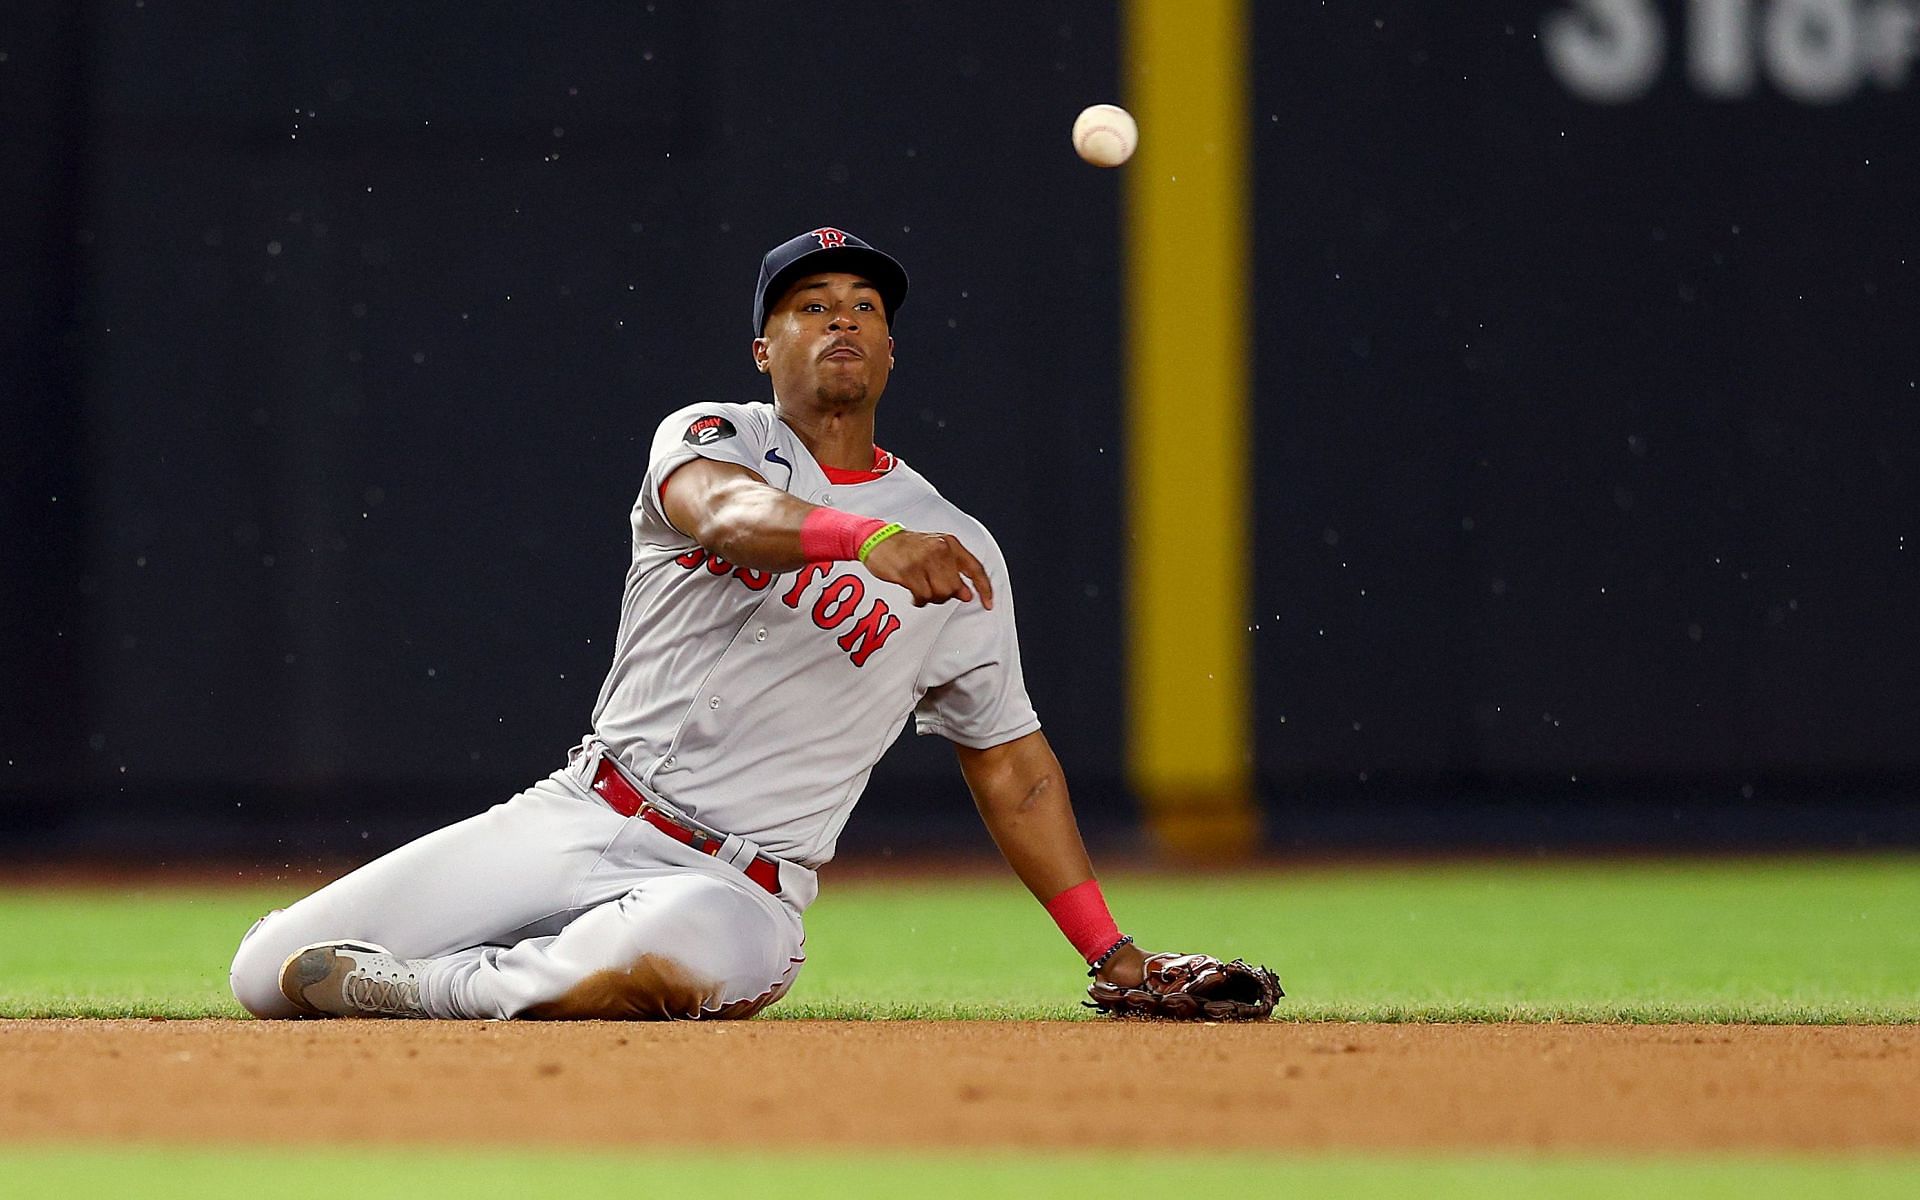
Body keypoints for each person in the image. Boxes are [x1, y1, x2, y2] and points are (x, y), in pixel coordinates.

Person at [228, 227, 1277, 1022]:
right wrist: (862, 544)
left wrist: (1111, 951)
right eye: (811, 305)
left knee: (675, 946)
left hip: (740, 882)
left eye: (865, 306)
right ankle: (483, 983)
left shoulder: (957, 545)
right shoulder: (713, 435)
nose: (842, 320)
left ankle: (432, 993)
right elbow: (723, 514)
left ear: (892, 352)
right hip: (582, 816)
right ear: (765, 345)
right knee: (264, 973)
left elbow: (1014, 767)